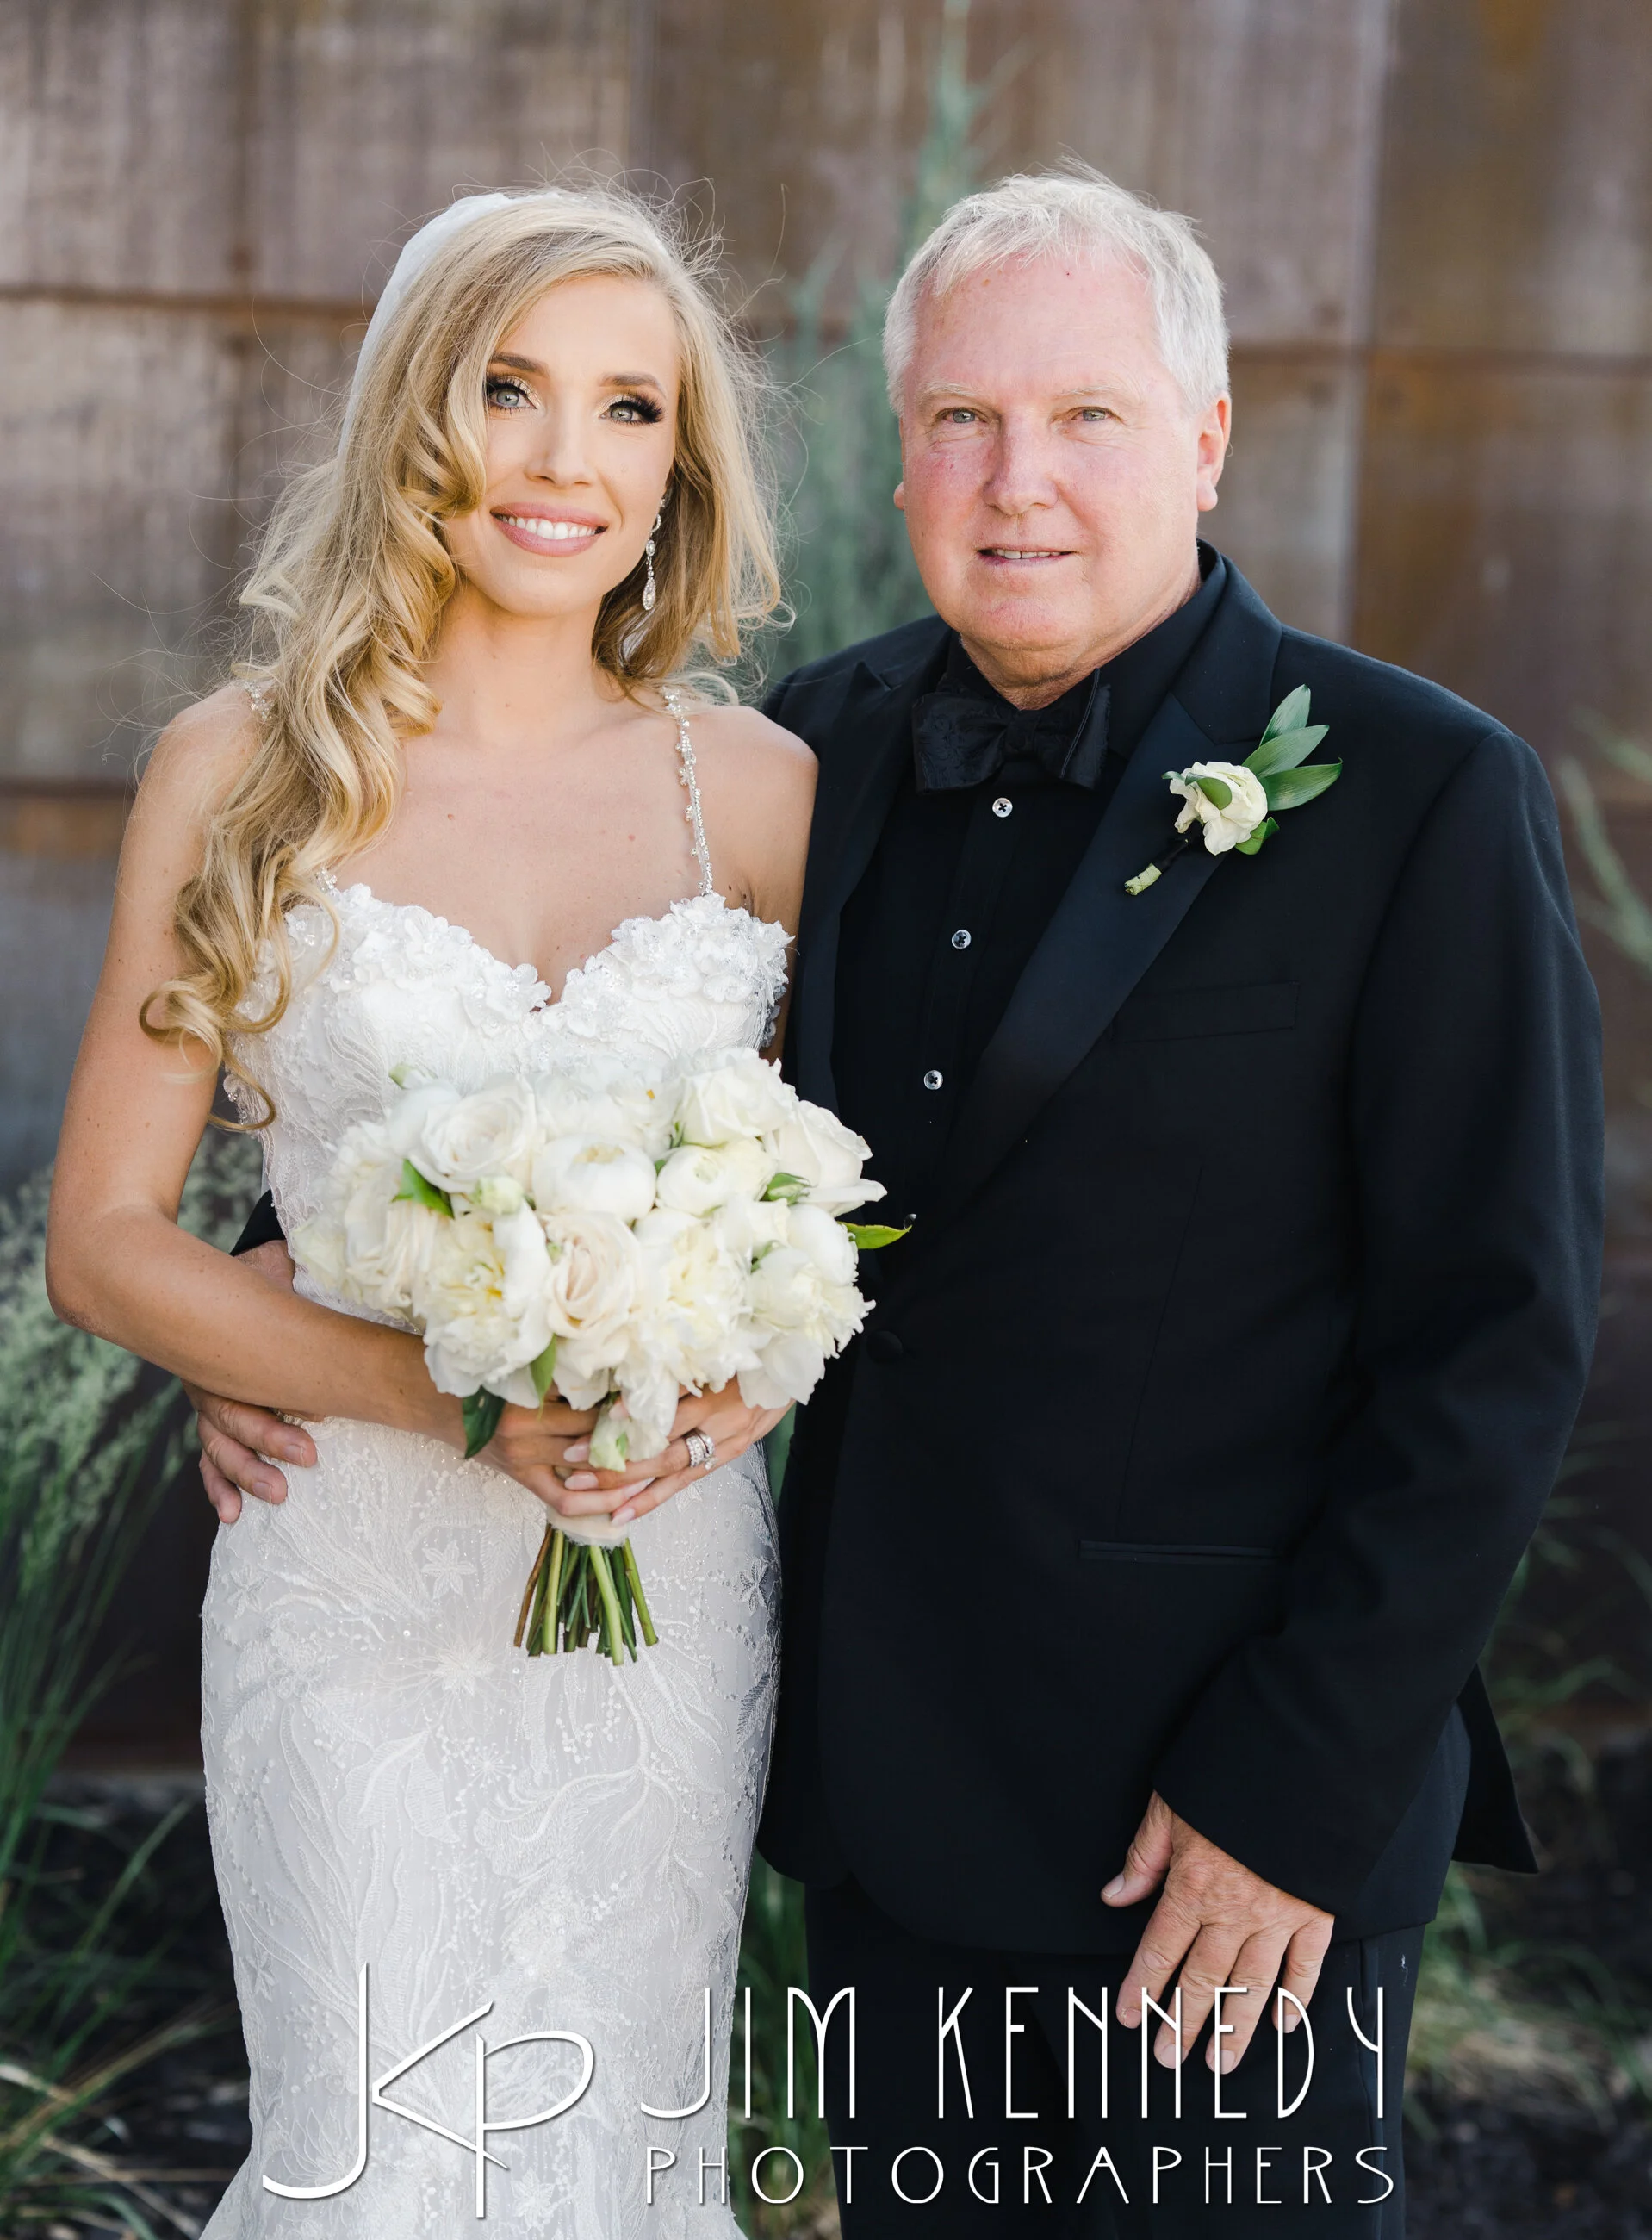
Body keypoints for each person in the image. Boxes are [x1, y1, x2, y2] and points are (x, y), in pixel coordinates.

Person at [188, 167, 1604, 2234]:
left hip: (1215, 1840)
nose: (1015, 480)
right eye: (960, 419)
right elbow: (628, 1107)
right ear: (897, 450)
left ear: (1205, 436)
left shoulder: (1417, 792)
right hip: (883, 1801)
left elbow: (1495, 1339)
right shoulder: (803, 756)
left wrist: (1294, 1789)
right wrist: (298, 1285)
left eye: (1085, 416)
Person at [47, 186, 814, 2237]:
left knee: (625, 2145)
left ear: (679, 462)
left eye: (630, 407)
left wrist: (749, 1363)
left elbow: (838, 1206)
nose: (568, 458)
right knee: (374, 2152)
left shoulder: (757, 792)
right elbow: (105, 1237)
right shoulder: (241, 772)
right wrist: (420, 1387)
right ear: (415, 412)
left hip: (660, 1577)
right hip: (350, 1576)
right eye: (508, 389)